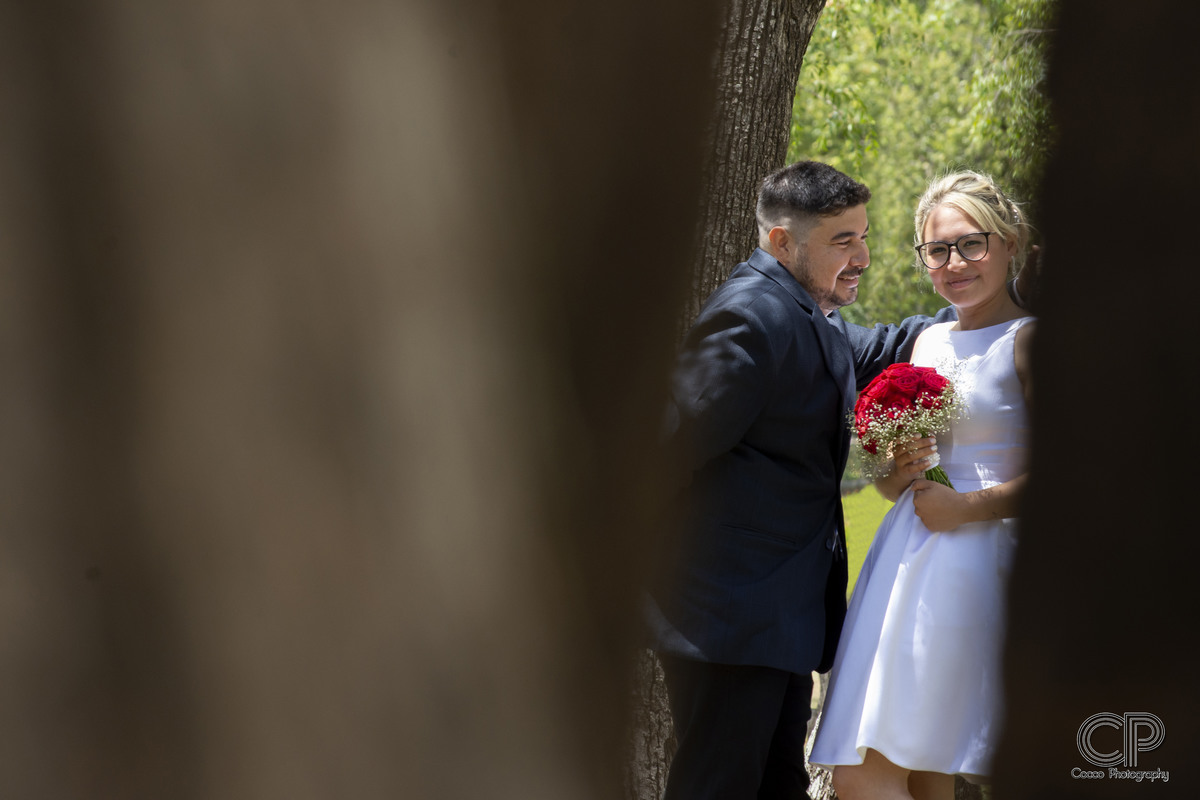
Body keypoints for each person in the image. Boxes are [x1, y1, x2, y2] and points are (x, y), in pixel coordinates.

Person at [644, 160, 957, 800]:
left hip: (772, 621)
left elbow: (877, 347)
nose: (863, 255)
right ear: (781, 241)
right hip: (726, 622)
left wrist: (980, 319)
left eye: (864, 236)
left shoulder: (807, 313)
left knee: (775, 786)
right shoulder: (750, 318)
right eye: (842, 240)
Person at [808, 170, 1035, 800]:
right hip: (904, 559)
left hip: (978, 561)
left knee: (869, 775)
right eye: (937, 250)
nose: (954, 263)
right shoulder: (927, 341)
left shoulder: (1029, 340)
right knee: (922, 770)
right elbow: (887, 478)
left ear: (1010, 242)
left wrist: (966, 508)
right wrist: (898, 471)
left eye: (971, 244)